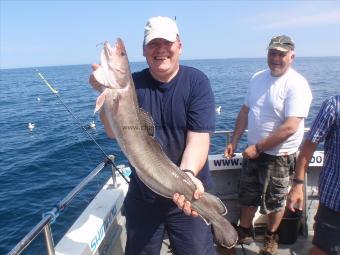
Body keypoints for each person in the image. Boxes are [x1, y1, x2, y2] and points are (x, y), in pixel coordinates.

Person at [90, 16, 216, 255]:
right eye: (153, 44)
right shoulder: (132, 84)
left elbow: (199, 139)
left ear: (179, 46)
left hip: (190, 193)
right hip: (143, 195)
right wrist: (105, 94)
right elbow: (110, 130)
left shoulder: (196, 82)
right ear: (144, 50)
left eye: (167, 43)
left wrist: (187, 178)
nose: (160, 50)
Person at [224, 35, 312, 255]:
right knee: (247, 194)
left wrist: (258, 148)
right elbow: (245, 111)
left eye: (281, 54)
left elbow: (290, 126)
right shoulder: (257, 78)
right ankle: (244, 230)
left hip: (280, 155)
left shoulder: (297, 84)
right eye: (272, 53)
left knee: (275, 200)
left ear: (292, 56)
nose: (275, 58)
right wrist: (233, 141)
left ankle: (271, 236)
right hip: (253, 151)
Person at [286, 96, 340, 255]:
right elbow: (308, 148)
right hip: (335, 200)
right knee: (322, 250)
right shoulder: (334, 105)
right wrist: (297, 186)